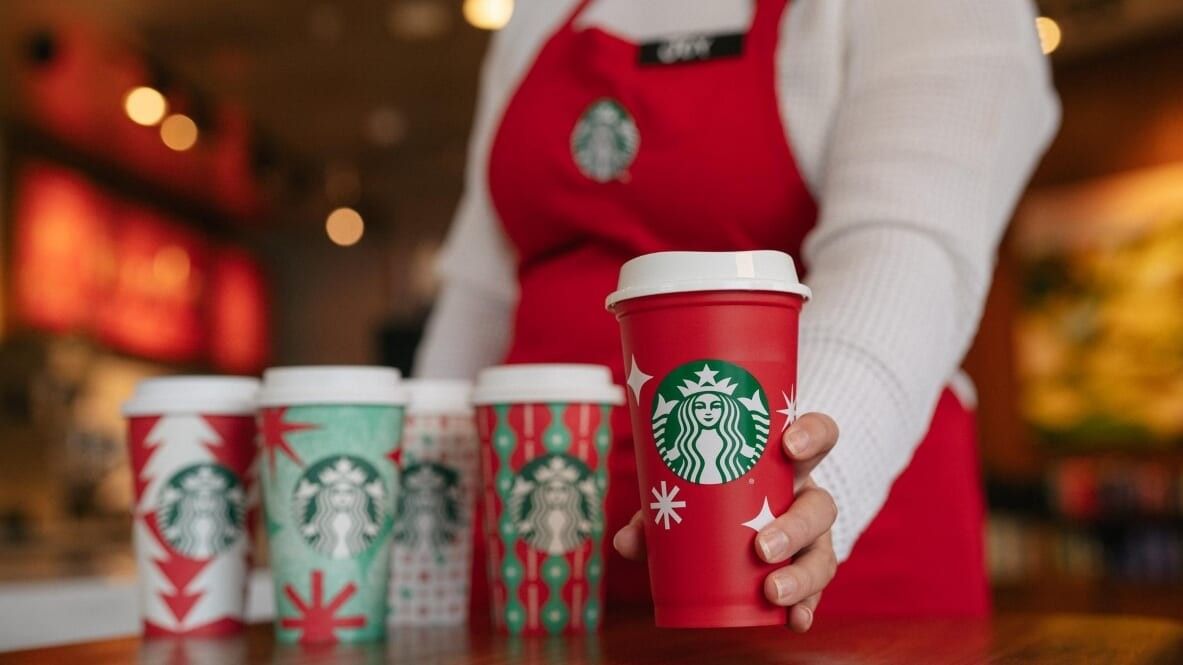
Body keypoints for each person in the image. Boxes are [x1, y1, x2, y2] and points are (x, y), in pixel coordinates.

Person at [415, 0, 1059, 631]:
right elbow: (481, 300)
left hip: (808, 568)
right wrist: (417, 520)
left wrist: (786, 486)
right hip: (539, 574)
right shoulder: (536, 13)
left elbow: (905, 260)